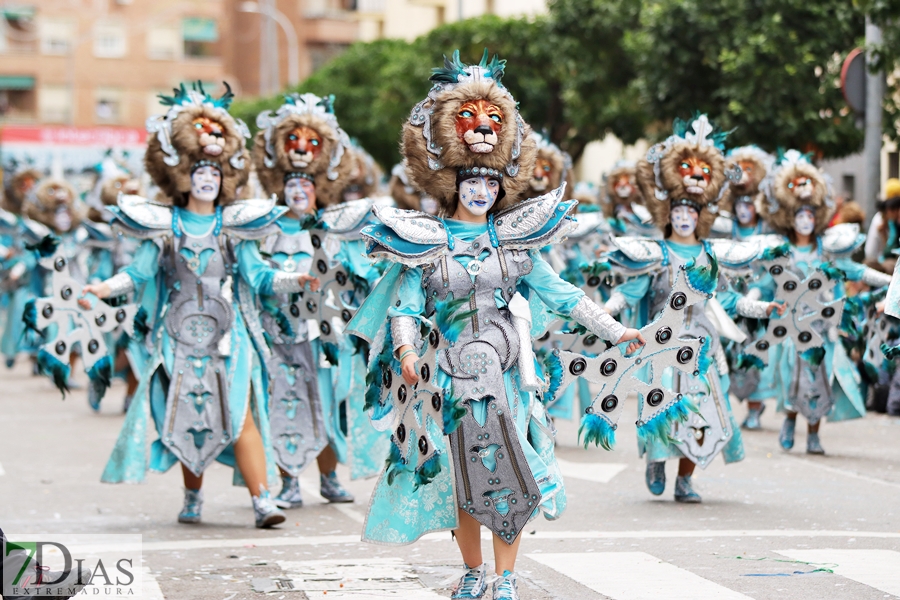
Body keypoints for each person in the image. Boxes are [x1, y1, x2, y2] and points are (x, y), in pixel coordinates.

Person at [348, 50, 643, 600]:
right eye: (470, 181)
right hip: (447, 378)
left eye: (488, 182)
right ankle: (473, 571)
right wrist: (409, 355)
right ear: (451, 183)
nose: (480, 190)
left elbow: (561, 294)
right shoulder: (424, 241)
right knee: (463, 480)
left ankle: (506, 577)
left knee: (507, 476)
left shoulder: (517, 240)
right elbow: (406, 309)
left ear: (501, 185)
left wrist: (613, 329)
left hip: (506, 377)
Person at [83, 82, 319, 528]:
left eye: (215, 173)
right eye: (200, 172)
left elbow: (260, 275)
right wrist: (101, 288)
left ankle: (262, 500)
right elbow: (136, 275)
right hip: (178, 338)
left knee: (240, 413)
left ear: (224, 177)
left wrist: (295, 280)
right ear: (183, 176)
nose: (208, 179)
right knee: (190, 416)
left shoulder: (235, 225)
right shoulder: (163, 226)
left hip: (230, 337)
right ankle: (193, 497)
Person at [601, 115, 784, 502]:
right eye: (679, 213)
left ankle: (686, 479)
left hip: (702, 349)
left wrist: (764, 307)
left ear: (700, 217)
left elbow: (728, 300)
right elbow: (630, 293)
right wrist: (605, 311)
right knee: (661, 410)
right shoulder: (655, 253)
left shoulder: (710, 255)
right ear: (670, 214)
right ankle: (656, 461)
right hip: (662, 348)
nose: (685, 218)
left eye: (691, 214)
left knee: (700, 415)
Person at [252, 91, 375, 507]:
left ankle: (328, 478)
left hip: (323, 335)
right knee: (283, 408)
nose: (299, 190)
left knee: (325, 405)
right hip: (275, 335)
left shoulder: (335, 227)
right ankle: (288, 482)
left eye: (306, 183)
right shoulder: (262, 227)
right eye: (292, 184)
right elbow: (252, 275)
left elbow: (362, 273)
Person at [756, 150, 891, 455]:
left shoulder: (827, 251)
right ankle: (790, 419)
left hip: (821, 330)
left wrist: (890, 281)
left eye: (809, 215)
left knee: (818, 380)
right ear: (791, 218)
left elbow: (856, 271)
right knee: (793, 378)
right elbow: (764, 284)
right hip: (790, 330)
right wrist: (753, 301)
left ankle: (814, 434)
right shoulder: (780, 251)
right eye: (799, 215)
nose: (805, 220)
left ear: (815, 218)